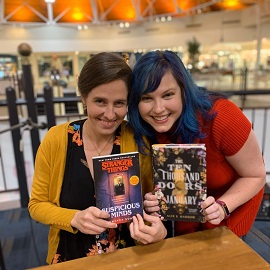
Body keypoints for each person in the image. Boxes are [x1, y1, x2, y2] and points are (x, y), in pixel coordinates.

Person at [28, 52, 166, 265]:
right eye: (100, 101)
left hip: (127, 258)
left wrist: (156, 223)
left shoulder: (139, 141)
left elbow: (149, 205)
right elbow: (37, 204)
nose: (110, 115)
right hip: (70, 257)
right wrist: (74, 218)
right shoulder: (57, 140)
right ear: (83, 97)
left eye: (119, 103)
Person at [127, 50, 266, 238]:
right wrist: (154, 200)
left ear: (184, 91)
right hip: (185, 232)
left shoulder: (222, 117)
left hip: (229, 224)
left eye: (168, 95)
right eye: (147, 98)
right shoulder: (145, 130)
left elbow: (255, 175)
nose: (158, 109)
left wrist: (222, 206)